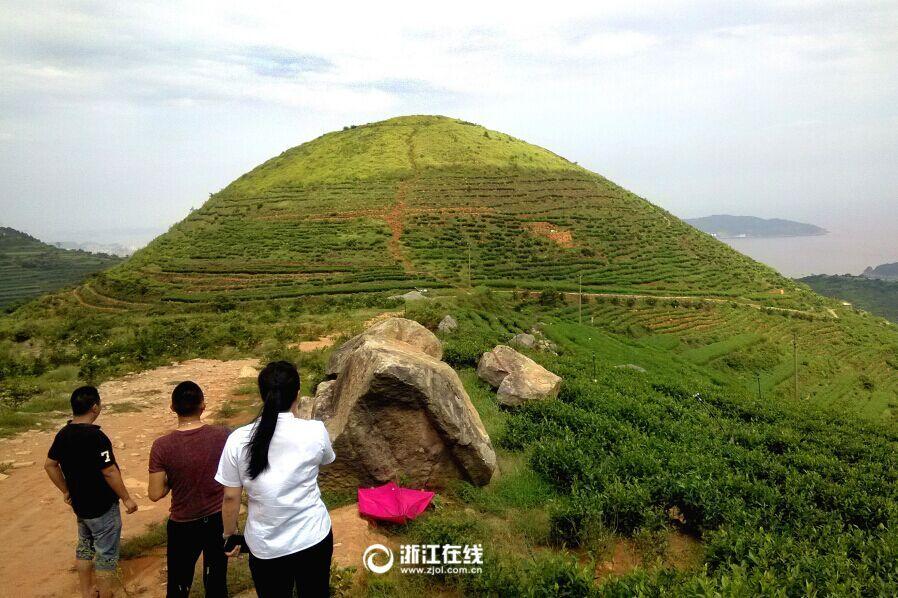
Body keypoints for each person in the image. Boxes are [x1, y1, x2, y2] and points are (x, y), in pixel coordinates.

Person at [215, 361, 336, 597]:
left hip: (266, 546)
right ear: (298, 393)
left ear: (262, 395)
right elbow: (327, 460)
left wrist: (229, 534)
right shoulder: (315, 430)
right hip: (313, 536)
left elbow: (230, 497)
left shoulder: (239, 440)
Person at [44, 386, 139, 598]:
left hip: (80, 506)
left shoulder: (63, 433)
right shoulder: (97, 437)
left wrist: (65, 490)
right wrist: (127, 498)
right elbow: (109, 472)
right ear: (95, 407)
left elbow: (50, 464)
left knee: (85, 548)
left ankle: (87, 592)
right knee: (106, 554)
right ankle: (105, 593)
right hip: (102, 506)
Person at [148, 381, 231, 597]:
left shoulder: (162, 446)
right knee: (216, 583)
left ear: (172, 408)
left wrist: (173, 478)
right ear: (202, 406)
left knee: (178, 585)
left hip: (183, 524)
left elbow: (155, 493)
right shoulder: (222, 435)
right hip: (217, 518)